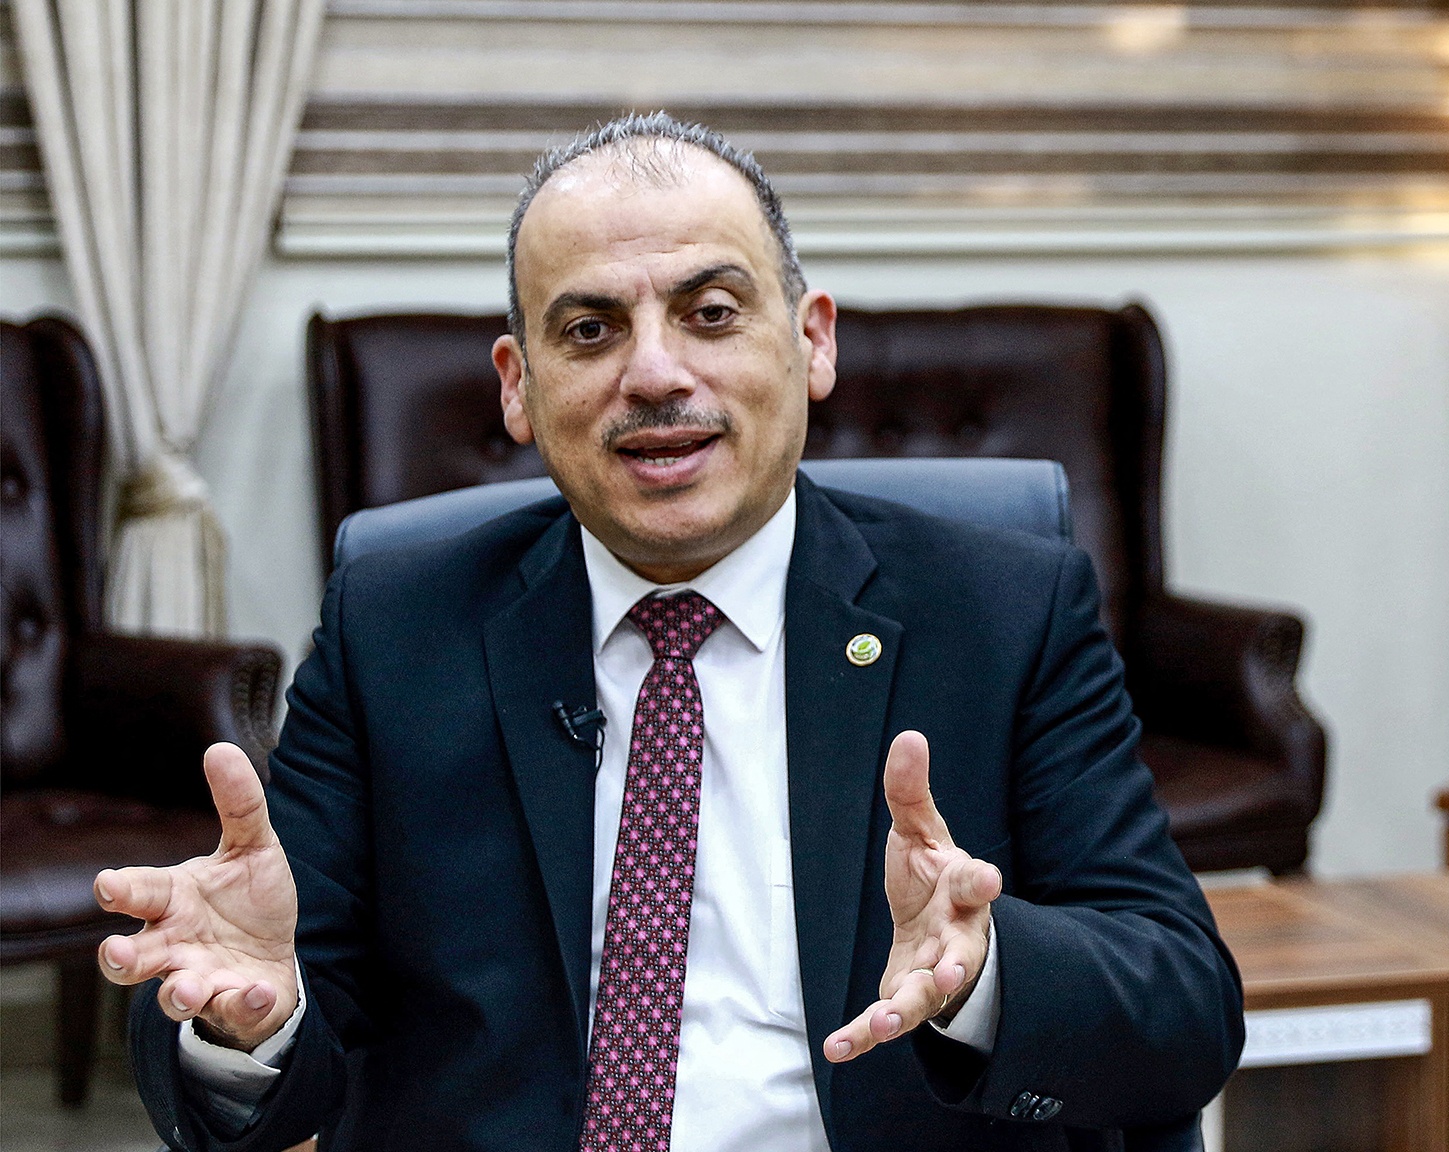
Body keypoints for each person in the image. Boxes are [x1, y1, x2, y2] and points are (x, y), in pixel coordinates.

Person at [94, 114, 1242, 1152]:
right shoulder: (396, 624)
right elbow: (281, 1024)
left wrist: (986, 974)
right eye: (589, 330)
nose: (654, 373)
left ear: (812, 342)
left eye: (709, 313)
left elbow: (1183, 1008)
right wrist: (251, 1021)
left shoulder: (1000, 610)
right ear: (518, 387)